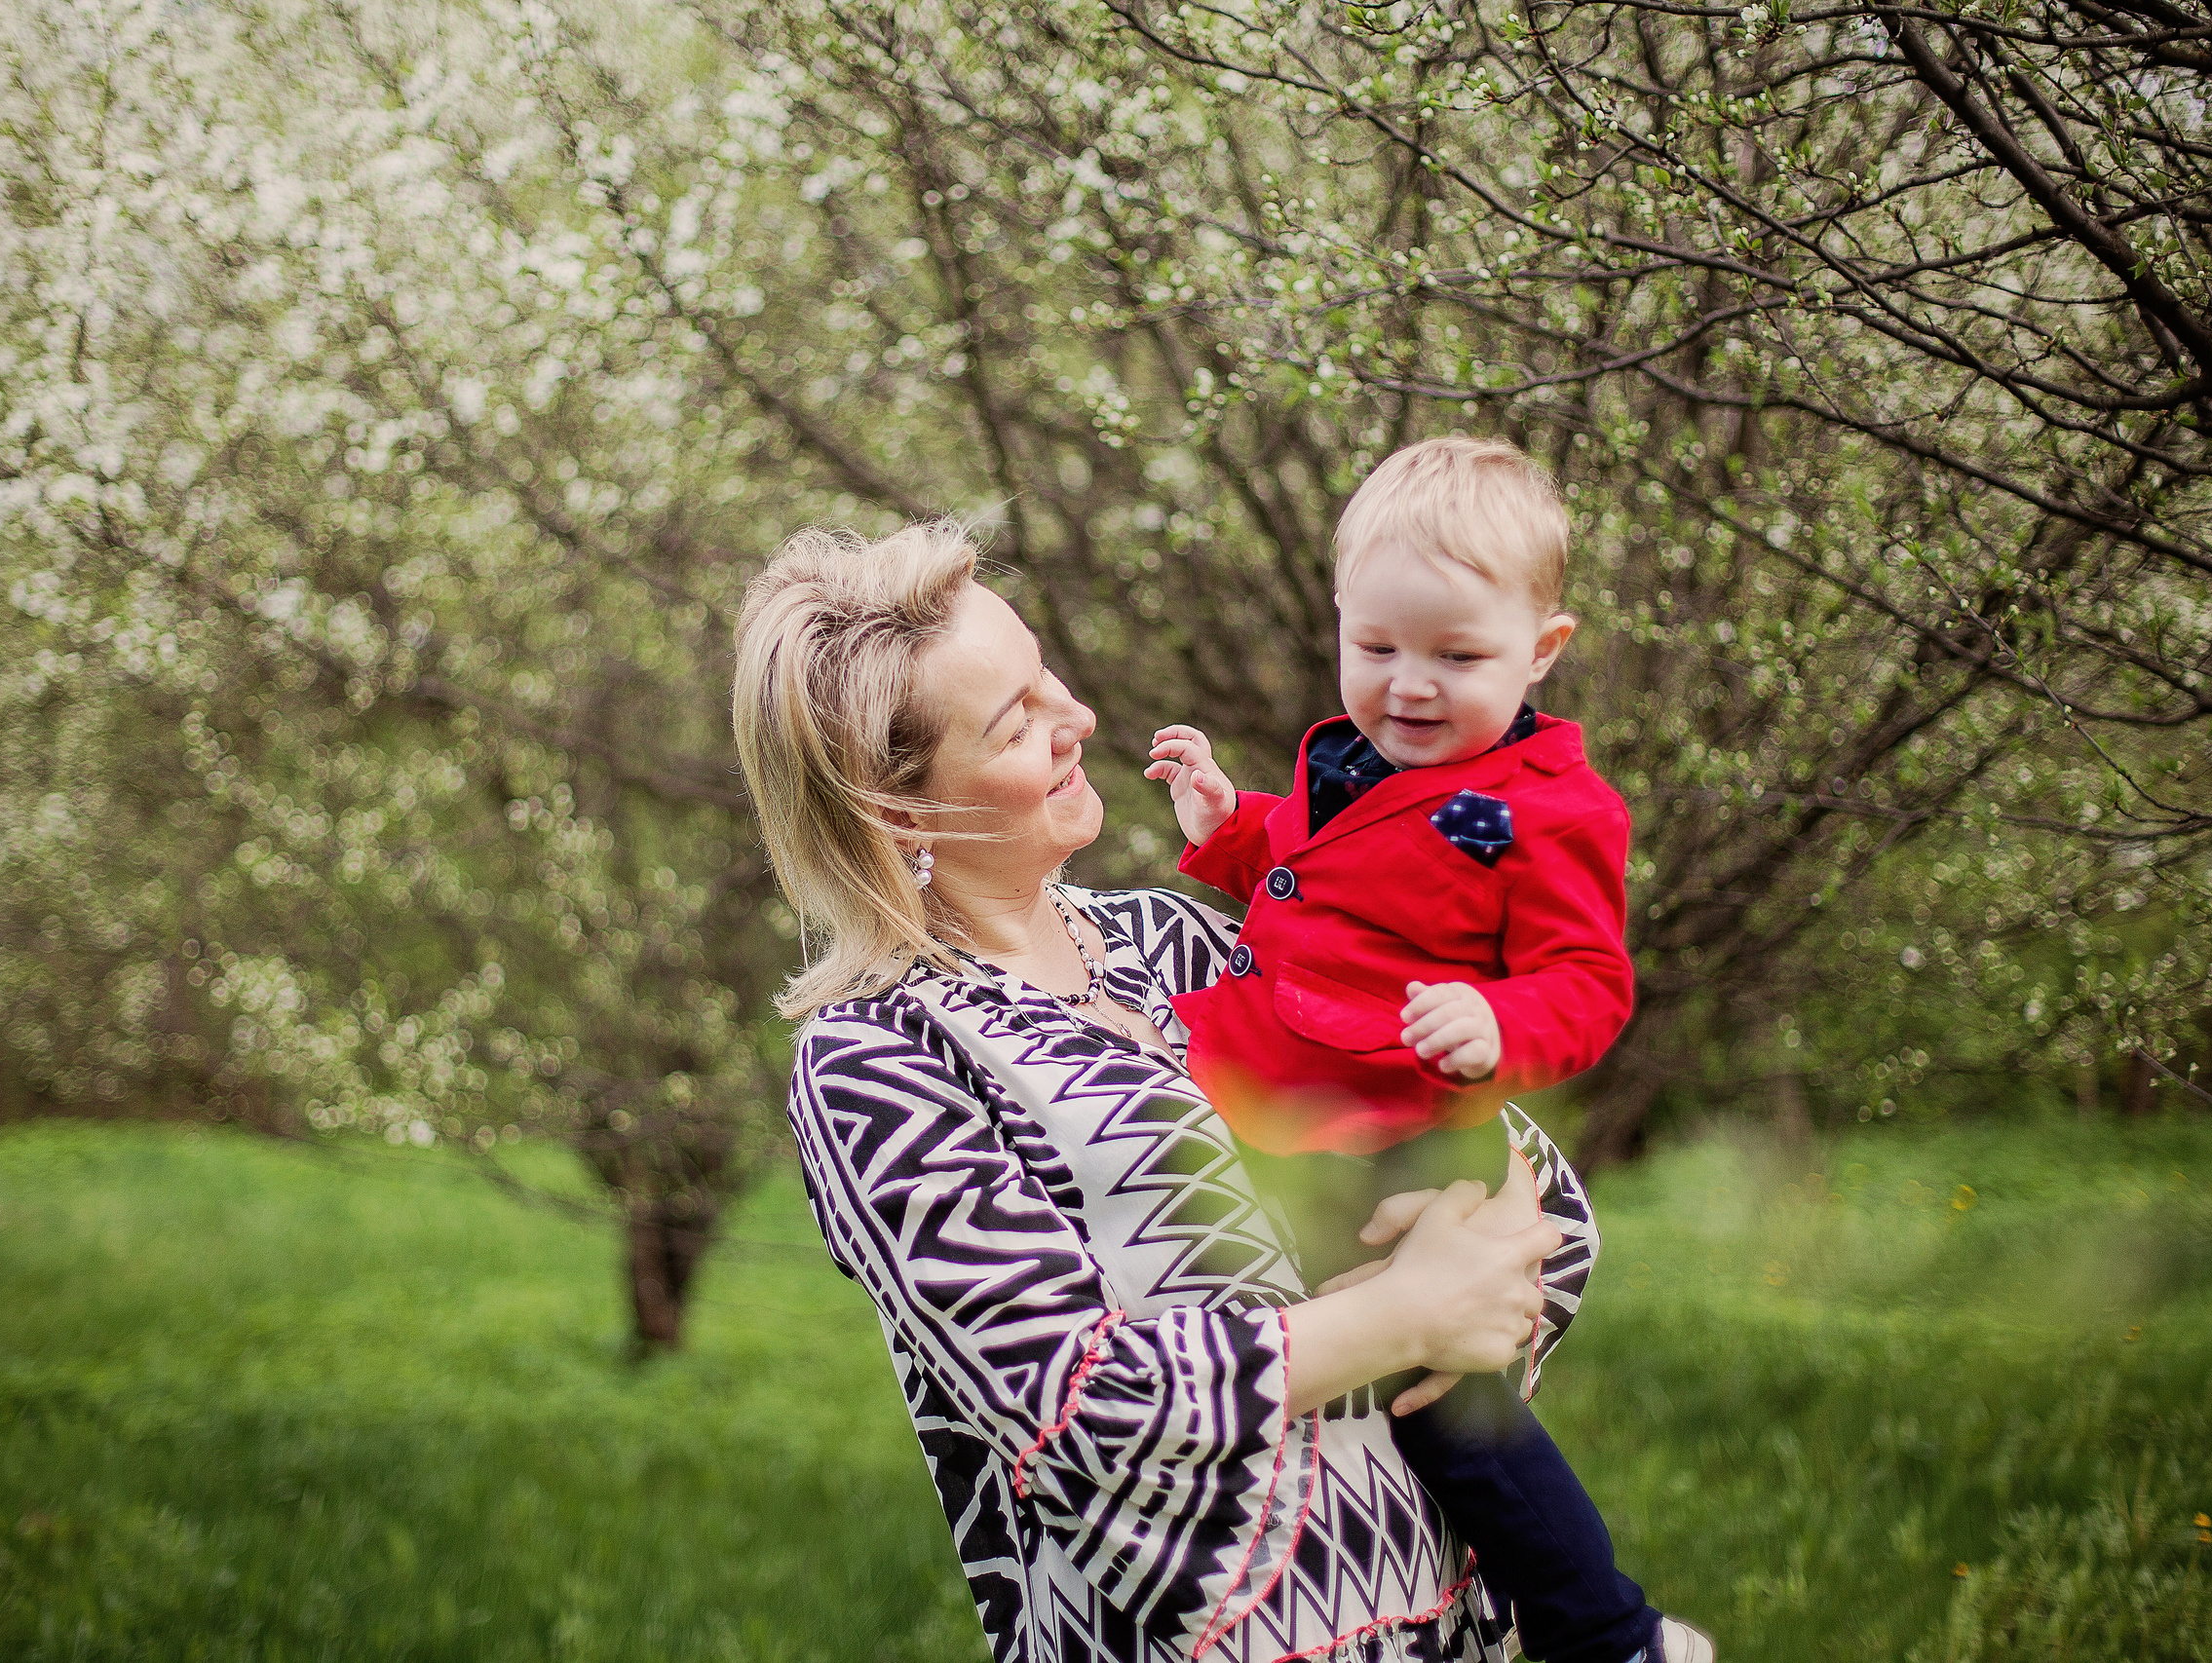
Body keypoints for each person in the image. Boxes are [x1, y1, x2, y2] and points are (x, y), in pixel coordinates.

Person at [732, 520, 1579, 1663]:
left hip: (1446, 1622)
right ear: (903, 811)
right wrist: (1406, 1314)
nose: (1077, 718)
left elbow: (1489, 1145)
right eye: (1016, 722)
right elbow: (1077, 1407)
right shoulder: (879, 1060)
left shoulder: (1176, 940)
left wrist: (1500, 1227)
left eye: (1047, 677)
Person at [1145, 436, 1709, 1663]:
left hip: (1394, 1131)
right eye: (1377, 647)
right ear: (1340, 618)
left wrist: (1500, 1024)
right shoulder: (1360, 758)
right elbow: (1319, 872)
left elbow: (1589, 983)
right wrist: (1229, 824)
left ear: (1541, 649)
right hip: (1284, 1081)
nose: (1408, 685)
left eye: (1456, 657)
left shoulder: (1548, 811)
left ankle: (1611, 1634)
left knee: (1451, 1411)